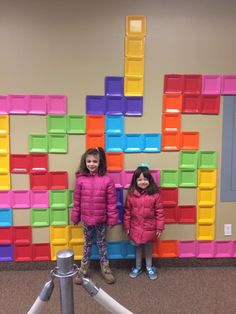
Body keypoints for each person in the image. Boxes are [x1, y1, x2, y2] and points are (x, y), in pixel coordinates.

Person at [70, 147, 118, 284]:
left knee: (102, 244)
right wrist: (75, 216)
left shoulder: (107, 180)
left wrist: (112, 218)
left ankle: (105, 268)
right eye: (89, 161)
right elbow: (77, 201)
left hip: (100, 220)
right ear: (84, 162)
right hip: (86, 220)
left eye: (95, 161)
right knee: (87, 244)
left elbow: (111, 202)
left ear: (100, 162)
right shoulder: (80, 180)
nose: (91, 164)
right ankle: (83, 269)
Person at [124, 163, 165, 280]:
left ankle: (149, 267)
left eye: (145, 179)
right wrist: (127, 227)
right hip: (135, 228)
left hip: (150, 228)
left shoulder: (155, 195)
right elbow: (127, 212)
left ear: (150, 180)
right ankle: (137, 267)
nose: (143, 182)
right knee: (137, 248)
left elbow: (160, 212)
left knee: (148, 249)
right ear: (135, 181)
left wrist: (159, 228)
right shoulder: (131, 195)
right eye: (140, 179)